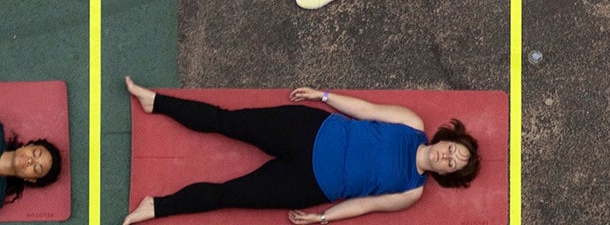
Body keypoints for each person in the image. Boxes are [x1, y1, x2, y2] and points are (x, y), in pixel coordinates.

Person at [118, 81, 479, 221]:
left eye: (452, 164)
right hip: (309, 131)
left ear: (446, 174)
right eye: (452, 150)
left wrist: (322, 218)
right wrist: (322, 96)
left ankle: (156, 207)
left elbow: (365, 205)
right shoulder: (411, 123)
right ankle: (156, 102)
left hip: (308, 184)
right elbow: (365, 110)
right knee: (225, 121)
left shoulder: (411, 191)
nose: (447, 157)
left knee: (227, 195)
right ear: (446, 139)